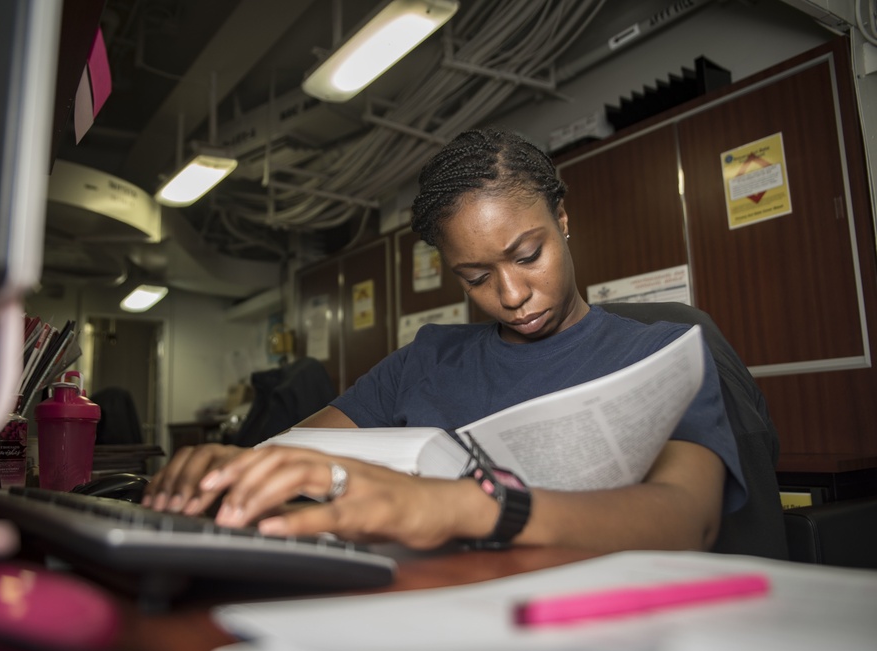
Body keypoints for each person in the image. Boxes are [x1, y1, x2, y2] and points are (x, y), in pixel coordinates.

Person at [143, 127, 747, 554]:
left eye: (529, 255)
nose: (511, 294)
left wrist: (467, 508)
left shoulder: (660, 355)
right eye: (476, 278)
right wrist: (239, 467)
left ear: (562, 222)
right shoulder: (426, 360)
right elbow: (297, 452)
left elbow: (687, 519)